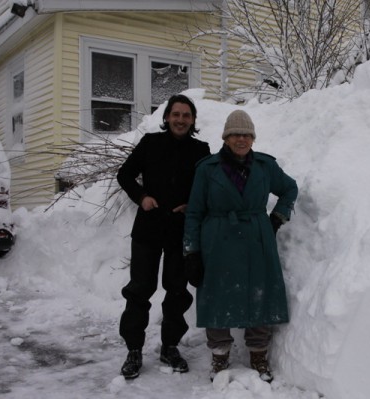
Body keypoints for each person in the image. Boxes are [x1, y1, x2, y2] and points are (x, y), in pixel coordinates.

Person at [182, 109, 298, 382]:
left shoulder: (265, 166)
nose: (241, 139)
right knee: (216, 295)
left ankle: (258, 354)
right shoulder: (207, 169)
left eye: (246, 134)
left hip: (257, 238)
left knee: (260, 291)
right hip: (218, 240)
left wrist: (277, 218)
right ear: (226, 137)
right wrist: (191, 252)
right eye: (235, 134)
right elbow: (195, 212)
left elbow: (290, 188)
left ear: (253, 138)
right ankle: (220, 356)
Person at [117, 94, 211, 379]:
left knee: (177, 292)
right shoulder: (150, 143)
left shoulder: (201, 150)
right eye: (176, 114)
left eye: (186, 115)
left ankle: (169, 346)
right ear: (167, 117)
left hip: (180, 231)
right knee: (139, 290)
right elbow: (125, 175)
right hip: (148, 228)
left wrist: (192, 206)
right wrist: (142, 196)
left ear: (193, 120)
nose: (181, 119)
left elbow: (207, 189)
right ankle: (134, 349)